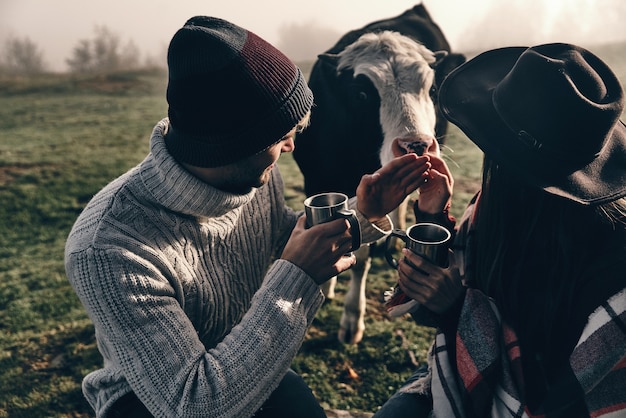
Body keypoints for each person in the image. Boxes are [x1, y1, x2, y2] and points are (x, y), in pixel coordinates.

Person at [64, 16, 431, 418]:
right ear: (232, 144)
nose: (292, 145)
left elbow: (279, 238)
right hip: (153, 401)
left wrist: (365, 213)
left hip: (241, 355)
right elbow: (194, 404)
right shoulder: (107, 248)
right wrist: (298, 277)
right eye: (281, 135)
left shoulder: (253, 177)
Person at [374, 43, 626, 417]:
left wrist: (458, 307)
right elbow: (427, 315)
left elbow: (548, 401)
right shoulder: (495, 209)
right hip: (461, 370)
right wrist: (432, 214)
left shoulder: (613, 271)